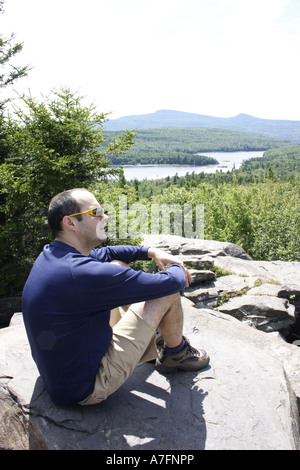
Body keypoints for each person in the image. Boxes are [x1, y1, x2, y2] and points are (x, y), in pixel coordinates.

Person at [22, 188, 209, 406]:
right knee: (165, 294)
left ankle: (154, 340)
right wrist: (178, 266)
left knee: (117, 266)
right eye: (97, 212)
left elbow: (109, 254)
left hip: (62, 375)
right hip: (87, 386)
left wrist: (151, 251)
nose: (105, 217)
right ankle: (175, 354)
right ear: (70, 223)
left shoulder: (54, 254)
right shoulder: (82, 274)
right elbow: (170, 283)